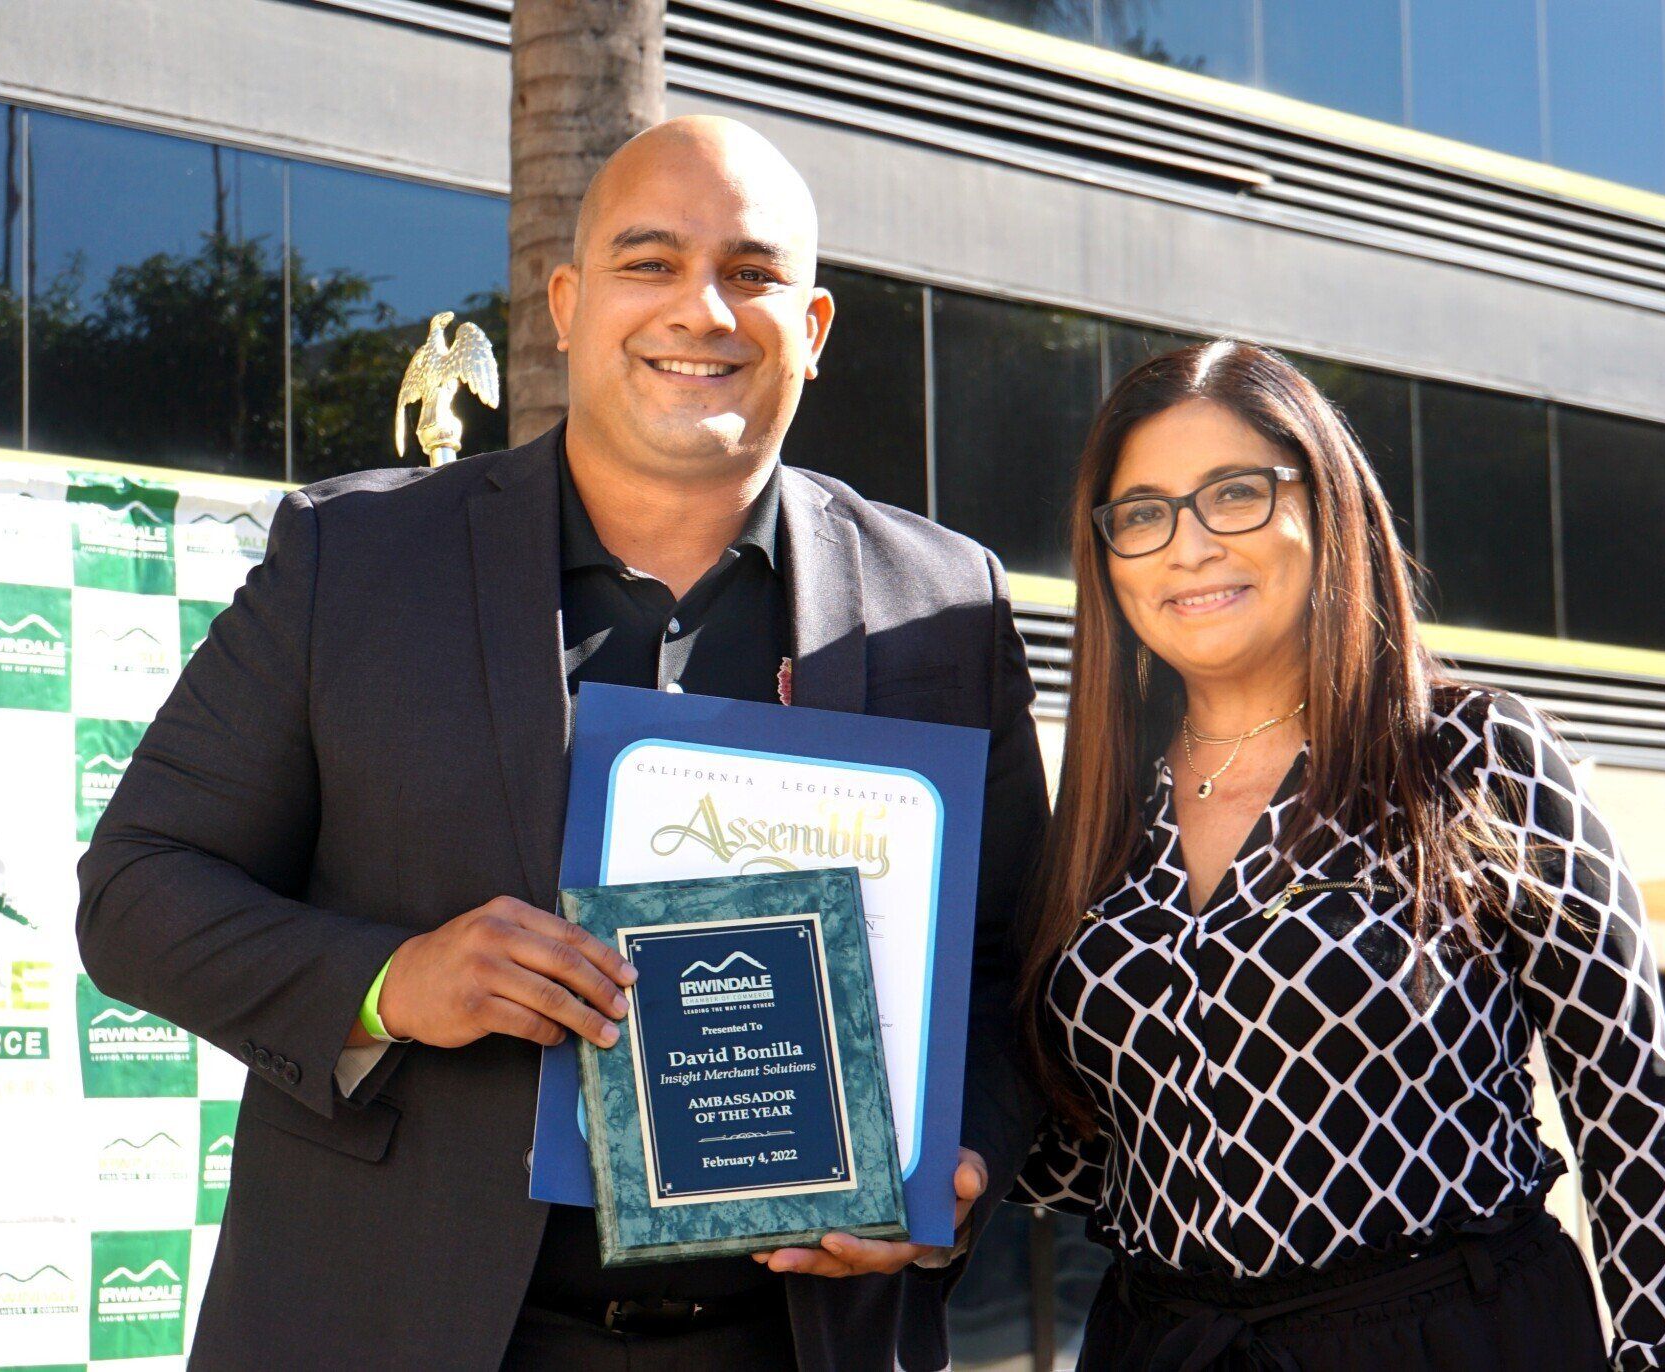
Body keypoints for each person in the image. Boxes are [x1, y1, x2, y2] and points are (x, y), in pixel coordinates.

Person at [76, 116, 1048, 1372]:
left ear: (809, 330)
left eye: (751, 274)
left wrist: (952, 1168)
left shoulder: (941, 600)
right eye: (650, 263)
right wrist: (395, 982)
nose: (701, 311)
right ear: (567, 304)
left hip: (795, 1340)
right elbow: (141, 887)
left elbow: (1017, 965)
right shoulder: (352, 562)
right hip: (393, 1326)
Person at [1011, 340, 1665, 1370]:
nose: (1190, 544)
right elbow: (1105, 1150)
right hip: (1165, 1342)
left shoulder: (1474, 756)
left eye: (1236, 494)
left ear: (1326, 507)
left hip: (1452, 1340)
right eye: (1144, 512)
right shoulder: (1096, 810)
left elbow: (1632, 1115)